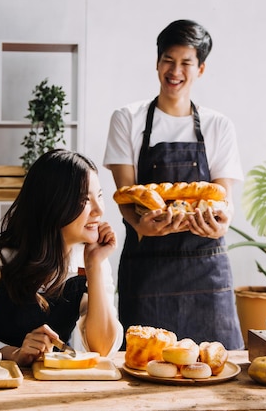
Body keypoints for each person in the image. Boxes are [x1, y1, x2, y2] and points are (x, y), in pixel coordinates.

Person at [103, 19, 244, 350]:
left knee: (219, 367)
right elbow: (126, 195)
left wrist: (219, 225)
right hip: (147, 265)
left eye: (186, 63)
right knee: (143, 364)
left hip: (206, 268)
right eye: (168, 59)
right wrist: (142, 225)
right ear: (157, 62)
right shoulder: (128, 118)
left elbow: (223, 198)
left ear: (201, 69)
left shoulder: (218, 125)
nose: (175, 70)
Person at [0, 149, 123, 365]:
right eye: (84, 200)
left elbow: (102, 349)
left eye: (100, 197)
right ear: (52, 204)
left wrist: (95, 266)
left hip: (56, 387)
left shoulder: (91, 262)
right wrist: (15, 353)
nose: (99, 210)